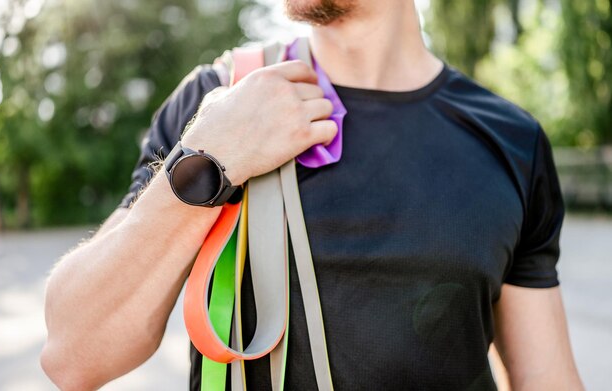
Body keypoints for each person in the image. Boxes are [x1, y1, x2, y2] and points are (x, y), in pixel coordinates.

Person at [41, 0, 585, 390]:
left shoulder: (512, 139)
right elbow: (73, 356)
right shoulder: (222, 98)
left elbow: (544, 376)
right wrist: (208, 159)